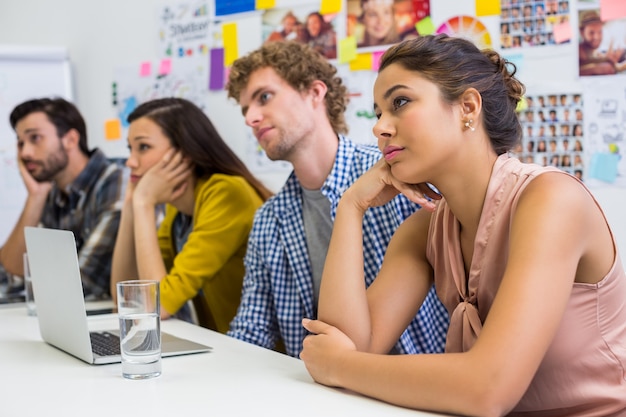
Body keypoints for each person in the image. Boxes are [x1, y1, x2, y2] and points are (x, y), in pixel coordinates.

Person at [300, 34, 626, 415]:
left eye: (400, 103)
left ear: (468, 107)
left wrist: (340, 366)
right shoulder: (424, 230)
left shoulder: (551, 200)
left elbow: (487, 391)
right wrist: (351, 207)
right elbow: (351, 342)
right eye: (377, 114)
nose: (380, 128)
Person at [225, 40, 448, 358]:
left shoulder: (400, 170)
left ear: (315, 93)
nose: (251, 118)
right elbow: (252, 332)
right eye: (246, 109)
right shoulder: (269, 219)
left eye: (264, 97)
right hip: (324, 393)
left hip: (419, 393)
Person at [110, 98, 272, 333]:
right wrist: (130, 206)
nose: (130, 161)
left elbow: (157, 306)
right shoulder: (180, 204)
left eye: (143, 147)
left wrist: (144, 203)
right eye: (130, 149)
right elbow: (126, 301)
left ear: (182, 154)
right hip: (219, 347)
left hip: (252, 353)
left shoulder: (227, 193)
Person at [0, 98, 124, 299]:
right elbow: (9, 279)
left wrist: (35, 284)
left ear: (71, 140)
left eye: (35, 138)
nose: (25, 153)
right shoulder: (53, 193)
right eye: (21, 143)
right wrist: (36, 197)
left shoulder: (116, 184)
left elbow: (81, 285)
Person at [579, 10, 626, 76]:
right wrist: (597, 68)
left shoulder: (597, 53)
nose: (597, 37)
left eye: (600, 32)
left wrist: (610, 61)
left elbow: (615, 67)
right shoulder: (578, 51)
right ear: (582, 33)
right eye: (591, 33)